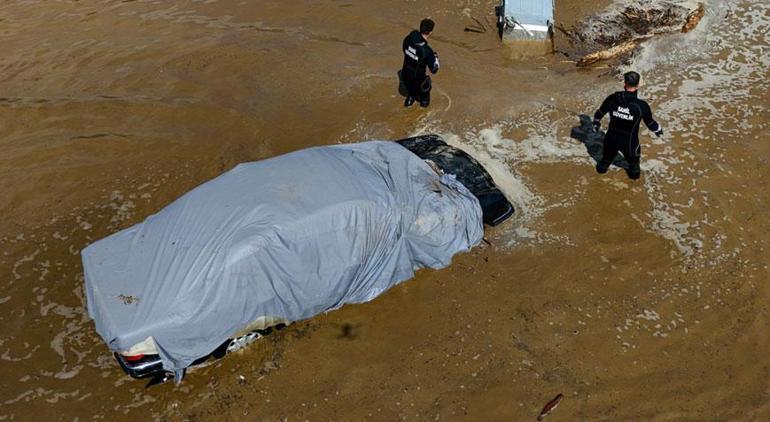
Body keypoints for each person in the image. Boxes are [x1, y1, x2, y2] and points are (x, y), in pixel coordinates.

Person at [592, 71, 663, 180]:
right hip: (630, 144)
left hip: (610, 139)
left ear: (624, 83)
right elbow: (651, 124)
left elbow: (599, 113)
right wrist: (659, 130)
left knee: (602, 166)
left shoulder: (613, 98)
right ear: (638, 84)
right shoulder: (641, 106)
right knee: (634, 173)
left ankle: (597, 183)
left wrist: (596, 123)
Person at [401, 18, 440, 108]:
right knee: (426, 86)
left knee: (411, 90)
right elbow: (434, 70)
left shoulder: (408, 39)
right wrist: (436, 59)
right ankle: (424, 104)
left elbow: (404, 50)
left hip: (405, 77)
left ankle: (410, 99)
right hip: (419, 82)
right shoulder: (427, 51)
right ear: (430, 32)